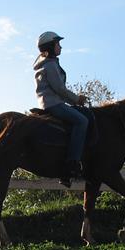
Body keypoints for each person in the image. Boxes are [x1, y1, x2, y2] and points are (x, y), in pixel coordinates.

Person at [33, 31, 88, 187]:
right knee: (82, 121)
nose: (61, 47)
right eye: (58, 44)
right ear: (51, 47)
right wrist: (77, 99)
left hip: (50, 102)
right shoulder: (49, 65)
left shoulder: (47, 62)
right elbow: (59, 89)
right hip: (53, 104)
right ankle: (72, 163)